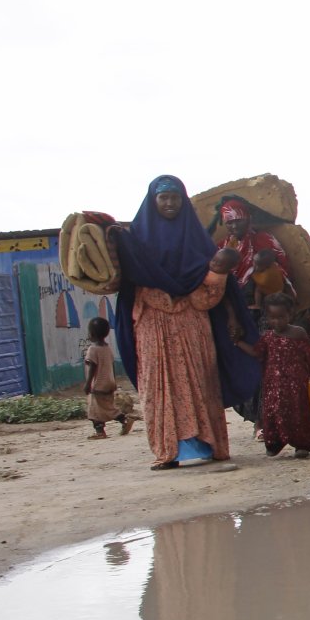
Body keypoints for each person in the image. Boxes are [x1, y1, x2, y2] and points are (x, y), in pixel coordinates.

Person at [111, 175, 261, 471]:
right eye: (163, 197)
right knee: (159, 384)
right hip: (152, 322)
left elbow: (223, 280)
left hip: (193, 320)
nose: (169, 203)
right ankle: (168, 450)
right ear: (153, 201)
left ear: (183, 201)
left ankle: (206, 444)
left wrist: (232, 316)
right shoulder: (136, 240)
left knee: (199, 380)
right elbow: (125, 281)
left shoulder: (197, 240)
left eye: (175, 197)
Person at [235, 292, 310, 457]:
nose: (277, 321)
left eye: (281, 317)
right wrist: (238, 342)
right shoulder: (267, 337)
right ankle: (275, 443)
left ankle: (301, 445)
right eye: (272, 318)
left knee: (298, 413)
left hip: (297, 383)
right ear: (267, 317)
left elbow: (309, 356)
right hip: (273, 385)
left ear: (290, 314)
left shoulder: (299, 333)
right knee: (274, 413)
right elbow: (255, 352)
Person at [219, 197, 290, 285]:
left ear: (248, 219)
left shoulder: (265, 239)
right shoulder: (222, 246)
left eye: (238, 221)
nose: (234, 226)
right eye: (229, 223)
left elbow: (283, 267)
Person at [84, 316, 134, 440]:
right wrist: (114, 381)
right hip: (109, 383)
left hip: (97, 385)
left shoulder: (92, 349)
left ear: (92, 334)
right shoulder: (107, 348)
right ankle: (124, 419)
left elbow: (92, 368)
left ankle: (100, 431)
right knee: (109, 407)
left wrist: (88, 384)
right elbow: (111, 365)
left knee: (94, 410)